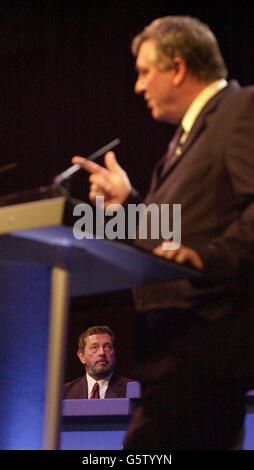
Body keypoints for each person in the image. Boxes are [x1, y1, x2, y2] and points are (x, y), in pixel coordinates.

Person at [71, 16, 254, 449]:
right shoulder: (182, 141)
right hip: (174, 353)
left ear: (177, 67)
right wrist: (131, 204)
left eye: (144, 71)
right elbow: (177, 232)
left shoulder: (241, 109)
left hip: (206, 348)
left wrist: (209, 259)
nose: (138, 86)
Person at [64, 325, 132, 399]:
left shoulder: (130, 389)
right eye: (94, 347)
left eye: (107, 347)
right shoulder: (65, 392)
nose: (102, 353)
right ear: (82, 356)